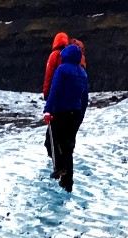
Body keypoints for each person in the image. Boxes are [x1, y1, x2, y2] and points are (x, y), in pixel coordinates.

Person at [42, 43, 88, 193]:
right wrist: (81, 114)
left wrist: (48, 110)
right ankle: (68, 183)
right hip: (75, 113)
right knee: (68, 147)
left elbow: (54, 91)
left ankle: (59, 168)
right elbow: (84, 97)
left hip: (60, 112)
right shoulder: (82, 72)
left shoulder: (61, 70)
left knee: (52, 141)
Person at [41, 32, 81, 176]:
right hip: (75, 109)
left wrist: (47, 101)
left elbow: (50, 79)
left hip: (59, 106)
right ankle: (67, 177)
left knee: (51, 140)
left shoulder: (58, 62)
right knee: (67, 143)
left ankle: (58, 168)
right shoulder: (80, 69)